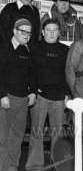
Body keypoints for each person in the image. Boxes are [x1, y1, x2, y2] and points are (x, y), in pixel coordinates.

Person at [25, 19, 70, 171]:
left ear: (59, 33)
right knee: (36, 132)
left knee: (58, 134)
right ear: (43, 32)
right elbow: (31, 71)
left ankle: (57, 164)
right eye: (48, 29)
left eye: (55, 29)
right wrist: (32, 91)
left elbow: (67, 73)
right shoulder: (34, 47)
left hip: (58, 98)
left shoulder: (65, 50)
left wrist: (66, 94)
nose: (51, 32)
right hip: (40, 96)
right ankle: (34, 166)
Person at [0, 18, 36, 170]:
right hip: (7, 98)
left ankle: (12, 167)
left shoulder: (28, 50)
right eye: (23, 31)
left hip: (23, 101)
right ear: (14, 31)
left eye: (29, 32)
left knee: (17, 137)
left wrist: (33, 92)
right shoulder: (4, 48)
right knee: (3, 137)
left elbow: (33, 73)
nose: (26, 35)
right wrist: (2, 95)